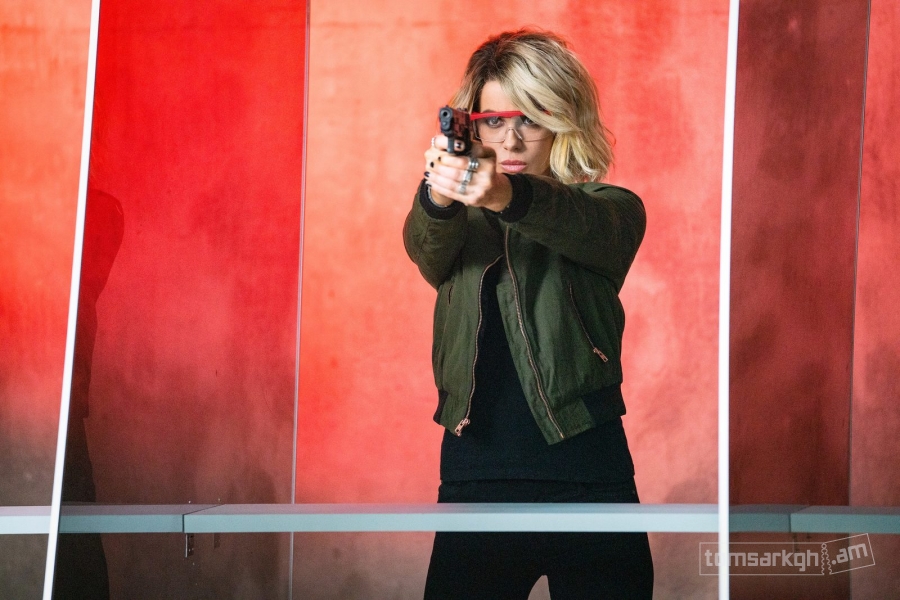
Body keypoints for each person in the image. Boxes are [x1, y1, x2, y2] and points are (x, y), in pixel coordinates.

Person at [403, 29, 653, 599]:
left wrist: (506, 196)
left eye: (532, 119)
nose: (511, 138)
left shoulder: (611, 208)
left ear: (563, 122)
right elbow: (424, 250)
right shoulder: (457, 224)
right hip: (476, 475)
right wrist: (439, 194)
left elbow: (585, 226)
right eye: (493, 120)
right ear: (472, 127)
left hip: (588, 472)